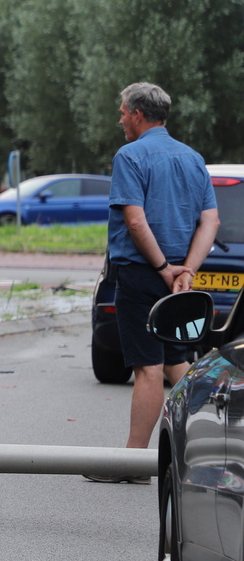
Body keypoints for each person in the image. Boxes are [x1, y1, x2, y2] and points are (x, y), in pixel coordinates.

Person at [86, 82, 219, 482]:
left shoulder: (130, 156)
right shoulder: (193, 158)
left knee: (148, 367)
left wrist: (163, 269)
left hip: (145, 274)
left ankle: (133, 464)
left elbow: (135, 219)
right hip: (179, 274)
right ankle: (218, 445)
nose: (120, 119)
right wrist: (186, 272)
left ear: (139, 115)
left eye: (123, 112)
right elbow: (209, 220)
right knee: (178, 361)